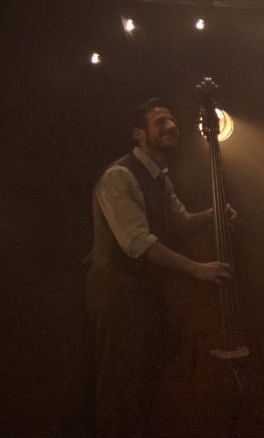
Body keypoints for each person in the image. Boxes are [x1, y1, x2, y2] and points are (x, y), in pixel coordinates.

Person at [86, 98, 234, 437]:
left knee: (147, 377)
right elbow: (138, 242)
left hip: (147, 289)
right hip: (117, 289)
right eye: (160, 123)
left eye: (171, 120)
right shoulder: (119, 177)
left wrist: (213, 216)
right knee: (120, 381)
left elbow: (179, 222)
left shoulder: (159, 175)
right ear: (139, 134)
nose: (170, 126)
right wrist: (198, 269)